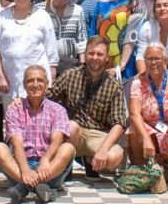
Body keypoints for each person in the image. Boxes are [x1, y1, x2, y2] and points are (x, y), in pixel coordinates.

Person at [0, 65, 75, 204]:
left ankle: (24, 187)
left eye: (40, 80)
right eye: (30, 81)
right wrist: (25, 170)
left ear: (47, 84)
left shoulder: (58, 110)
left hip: (49, 168)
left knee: (68, 148)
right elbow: (16, 143)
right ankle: (39, 187)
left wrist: (45, 160)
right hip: (22, 165)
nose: (35, 85)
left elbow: (57, 140)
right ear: (24, 85)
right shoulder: (15, 110)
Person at [48, 36, 129, 174]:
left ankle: (91, 162)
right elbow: (48, 98)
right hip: (74, 132)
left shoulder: (115, 86)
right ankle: (65, 168)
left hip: (98, 134)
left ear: (107, 58)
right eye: (91, 53)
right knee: (71, 126)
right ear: (85, 55)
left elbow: (119, 123)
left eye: (100, 54)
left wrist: (103, 150)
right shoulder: (70, 75)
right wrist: (23, 102)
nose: (95, 57)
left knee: (114, 158)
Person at [0, 0, 58, 106]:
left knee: (38, 121)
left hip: (37, 82)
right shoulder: (2, 16)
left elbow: (52, 52)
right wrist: (1, 77)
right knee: (12, 121)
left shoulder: (42, 16)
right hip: (10, 81)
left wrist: (51, 80)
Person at [127, 43, 168, 178]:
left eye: (157, 59)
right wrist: (146, 138)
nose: (153, 62)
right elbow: (134, 113)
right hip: (149, 128)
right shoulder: (138, 82)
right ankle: (142, 167)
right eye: (149, 59)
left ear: (165, 61)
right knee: (133, 130)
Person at [89, 0, 145, 81]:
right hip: (101, 59)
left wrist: (122, 65)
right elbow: (93, 31)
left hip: (126, 61)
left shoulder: (136, 1)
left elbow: (132, 35)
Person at [46, 0, 87, 76]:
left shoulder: (77, 10)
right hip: (46, 62)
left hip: (71, 64)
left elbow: (81, 39)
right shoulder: (40, 9)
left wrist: (82, 66)